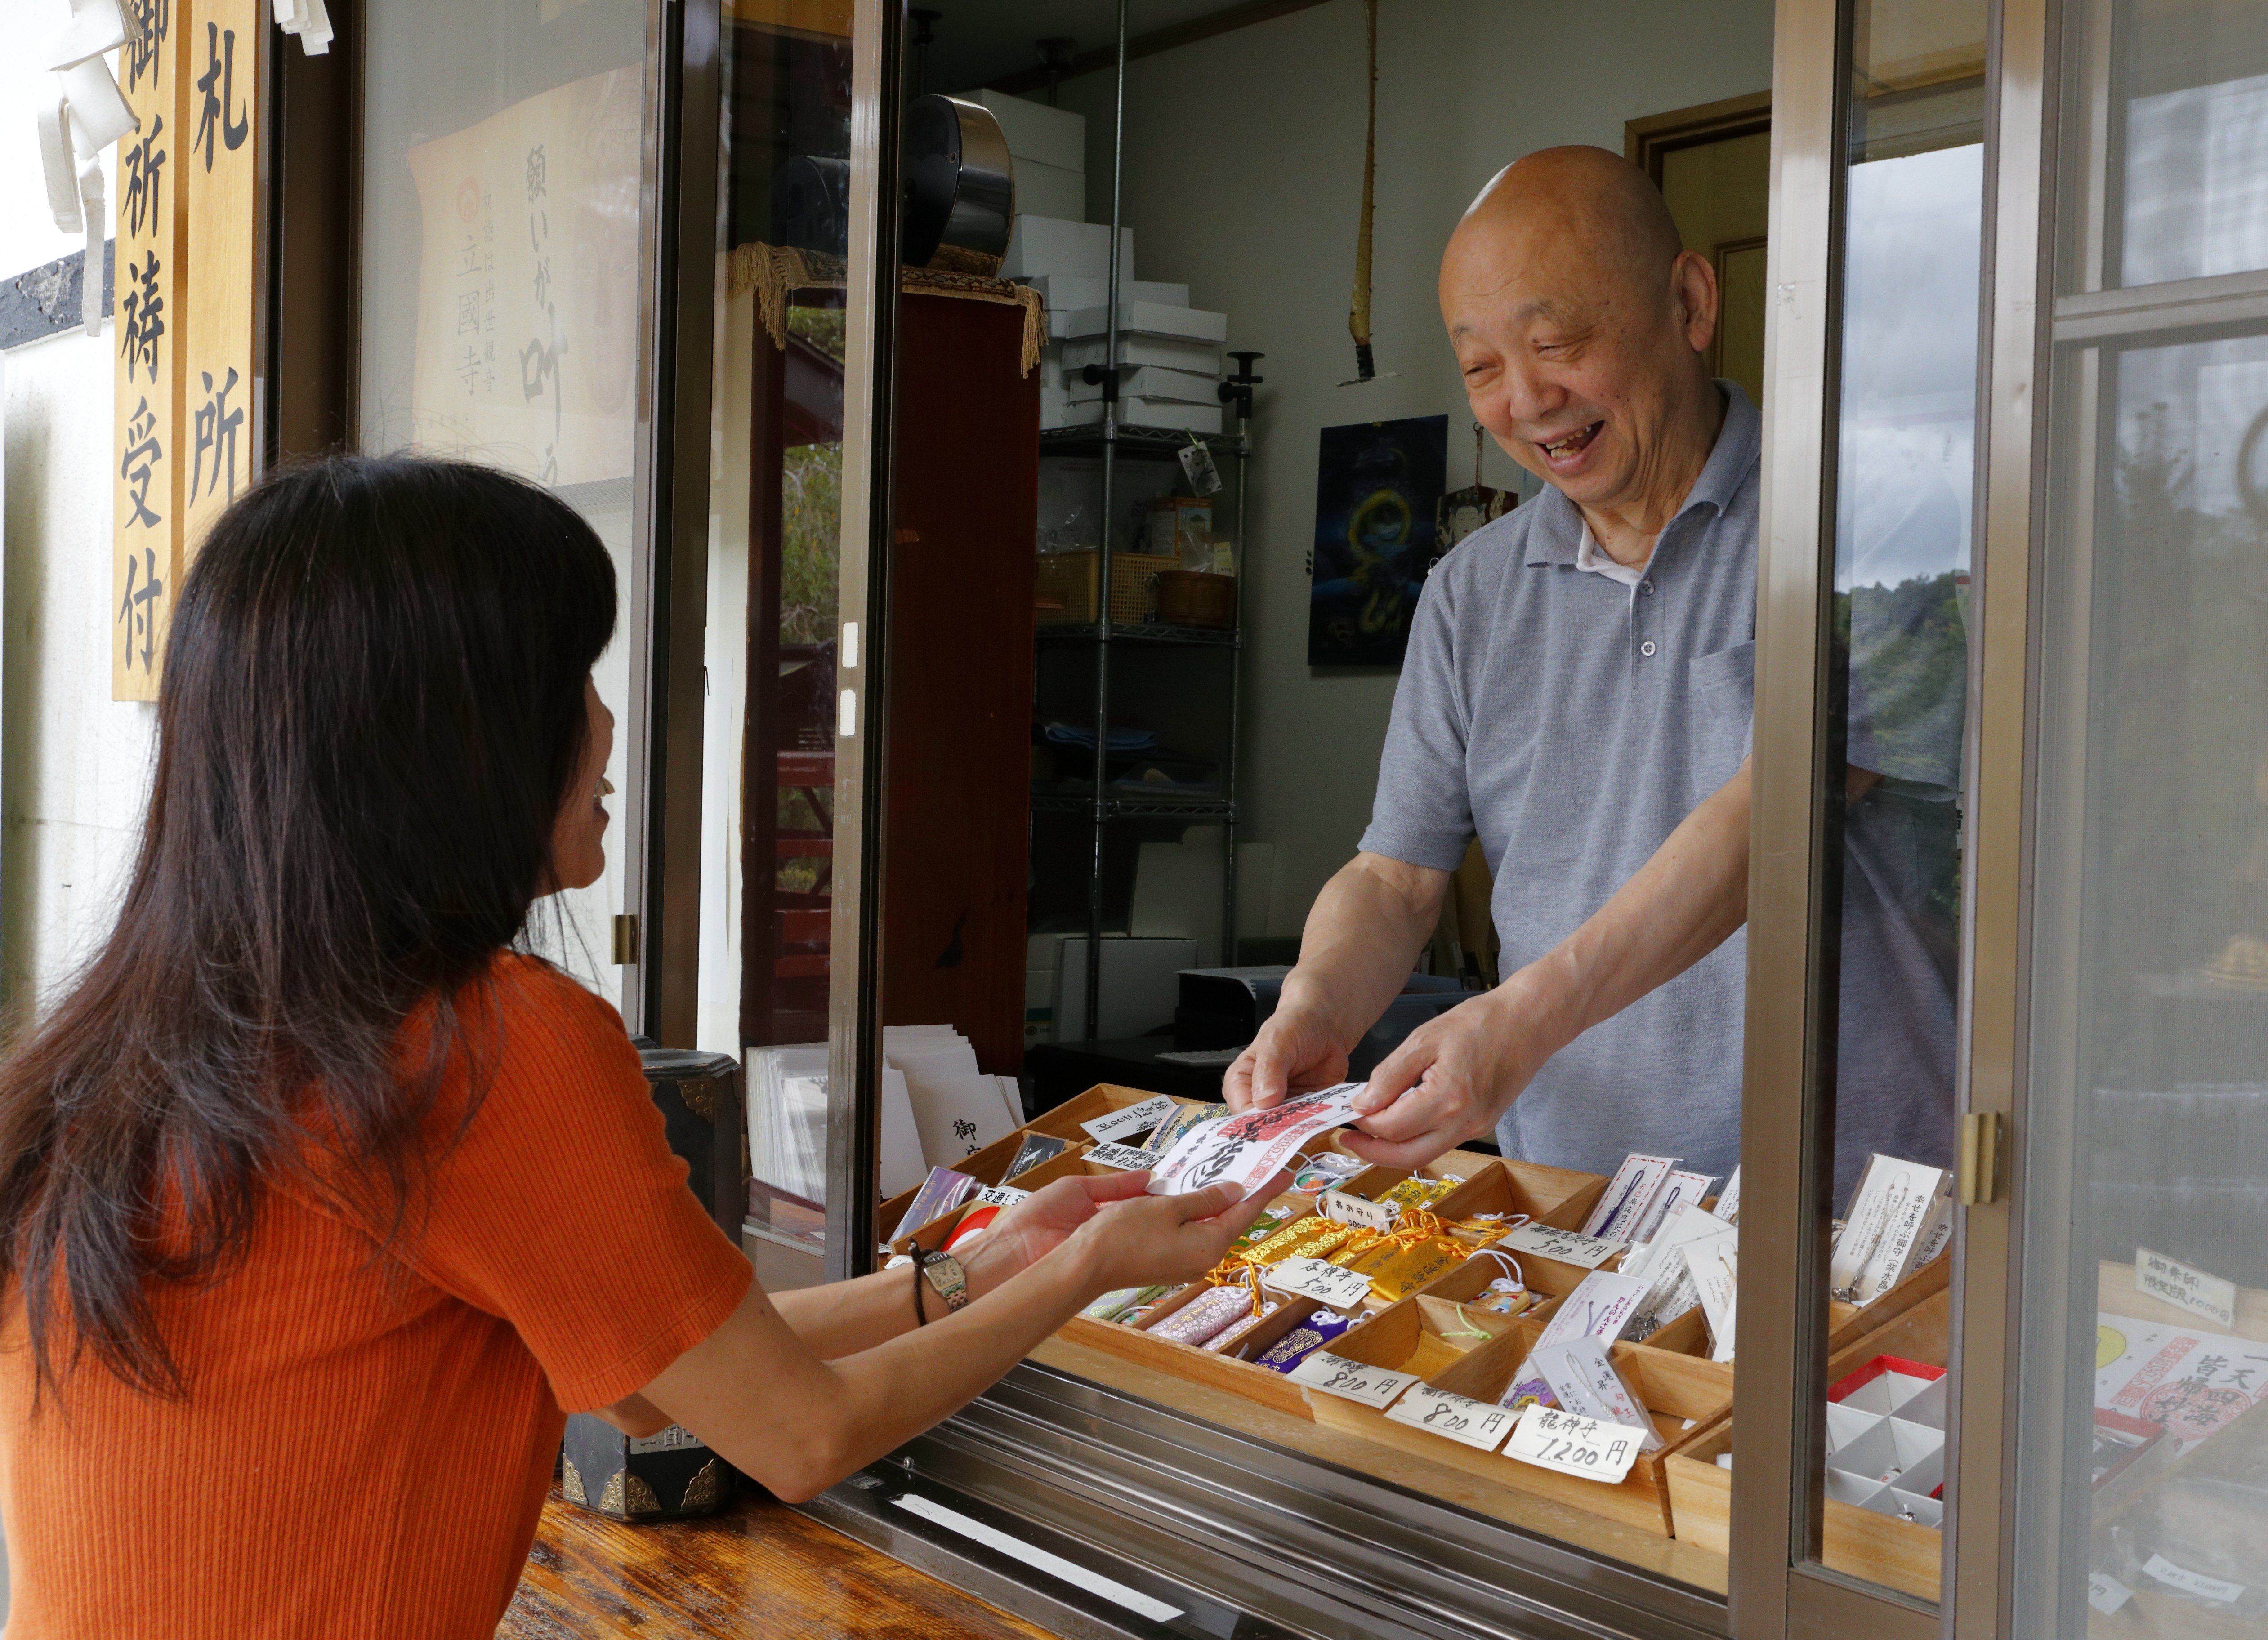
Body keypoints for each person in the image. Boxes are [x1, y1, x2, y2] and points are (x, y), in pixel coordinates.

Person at [0, 456, 1268, 1639]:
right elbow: (798, 1436)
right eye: (572, 682)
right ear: (453, 739)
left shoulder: (136, 1038)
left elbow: (650, 1378)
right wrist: (1085, 1270)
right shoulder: (479, 1048)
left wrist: (972, 1273)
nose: (606, 728)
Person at [1227, 146, 1958, 1188]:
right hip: (1572, 1204)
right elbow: (1396, 876)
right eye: (1481, 368)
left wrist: (1521, 1017)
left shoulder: (1867, 529)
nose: (1528, 400)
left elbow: (1775, 820)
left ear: (1691, 302)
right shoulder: (1471, 590)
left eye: (1557, 343)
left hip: (1839, 1205)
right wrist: (1315, 1003)